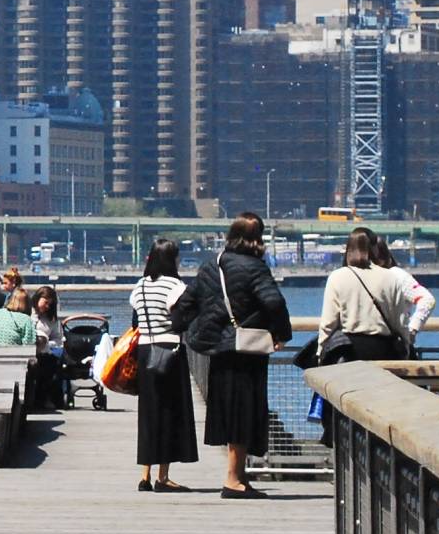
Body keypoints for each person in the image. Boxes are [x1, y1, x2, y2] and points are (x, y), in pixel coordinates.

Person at [167, 212, 294, 498]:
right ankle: (233, 480)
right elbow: (273, 301)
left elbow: (188, 300)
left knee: (228, 410)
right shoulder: (254, 267)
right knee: (245, 411)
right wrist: (281, 334)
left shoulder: (213, 265)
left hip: (219, 350)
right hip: (247, 351)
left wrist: (182, 328)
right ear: (257, 238)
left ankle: (238, 475)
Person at [128, 238, 197, 491]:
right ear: (171, 260)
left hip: (145, 350)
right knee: (169, 412)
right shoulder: (176, 286)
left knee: (148, 414)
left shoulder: (140, 286)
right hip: (169, 351)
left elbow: (136, 322)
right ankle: (163, 477)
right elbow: (179, 323)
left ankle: (144, 476)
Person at [315, 227, 415, 364]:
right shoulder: (390, 277)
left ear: (348, 249)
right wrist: (406, 348)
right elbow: (400, 322)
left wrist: (321, 352)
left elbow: (328, 323)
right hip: (384, 349)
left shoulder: (337, 277)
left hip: (349, 350)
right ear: (375, 248)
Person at [27, 285, 68, 410]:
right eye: (45, 302)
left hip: (44, 352)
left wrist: (46, 344)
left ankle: (47, 399)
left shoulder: (51, 320)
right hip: (26, 351)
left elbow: (58, 339)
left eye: (50, 304)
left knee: (52, 365)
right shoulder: (27, 313)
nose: (47, 307)